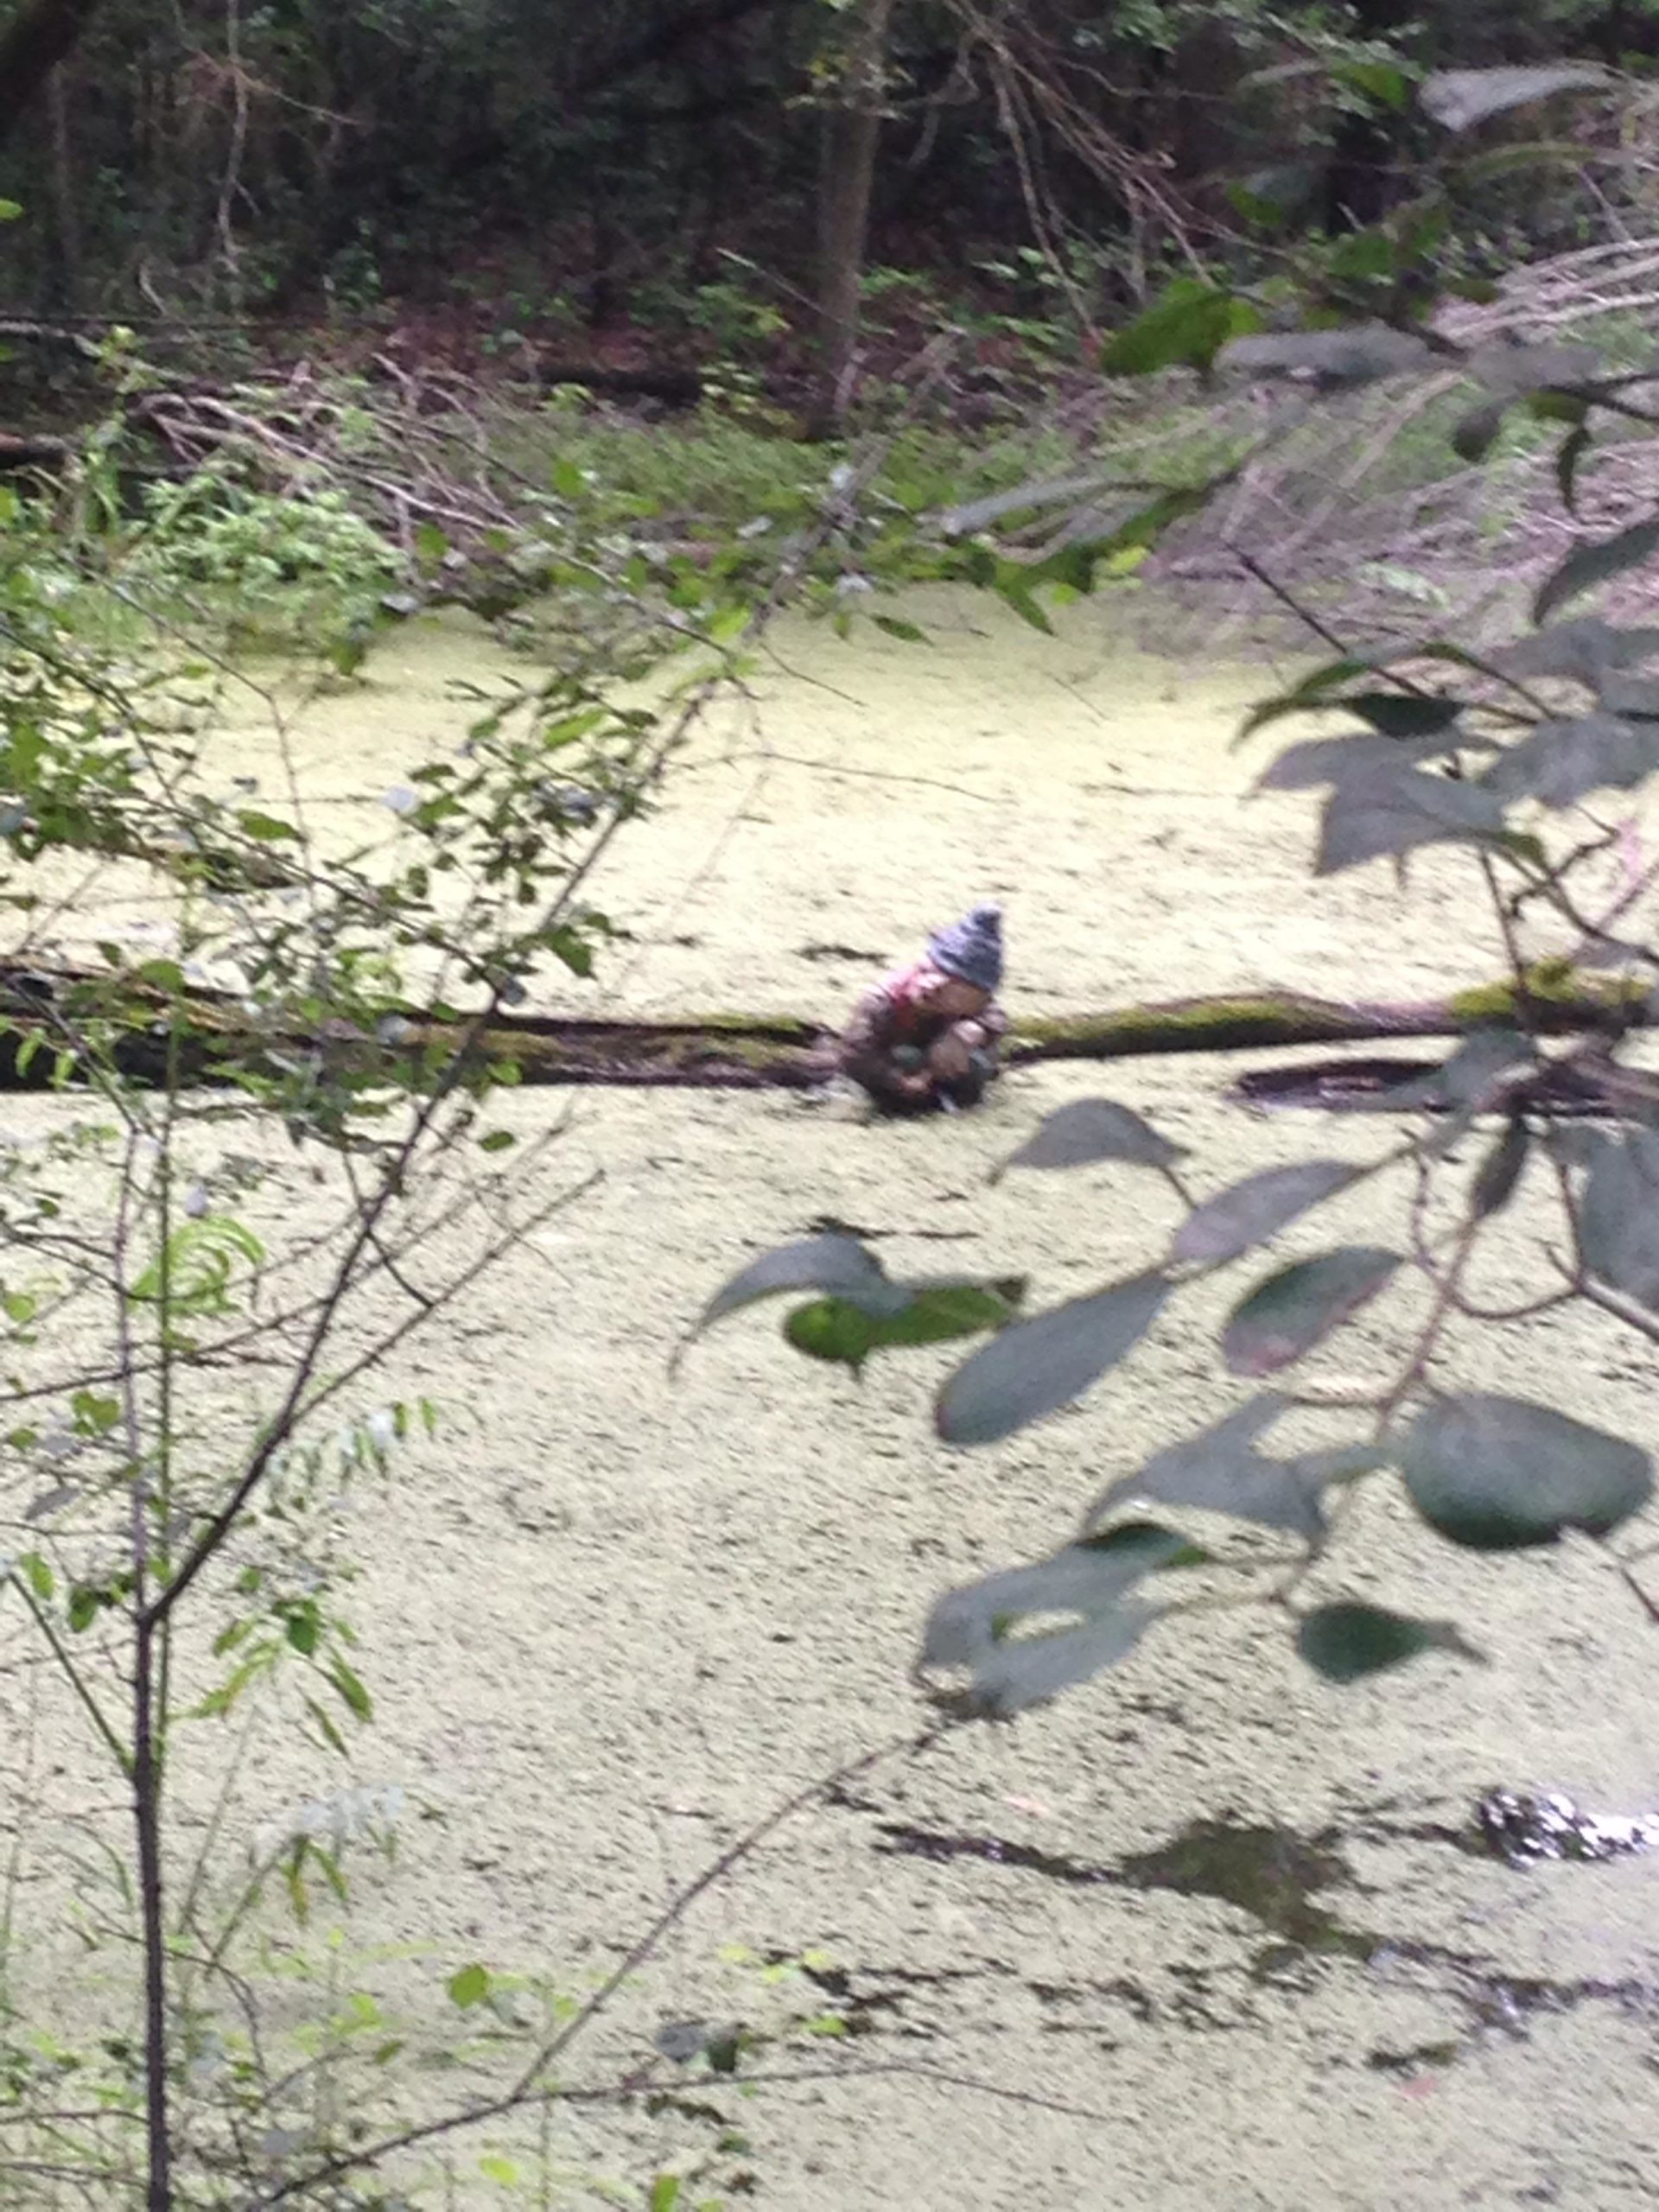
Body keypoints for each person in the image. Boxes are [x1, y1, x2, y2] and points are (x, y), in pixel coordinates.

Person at [836, 902, 1008, 1115]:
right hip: (892, 1072)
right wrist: (897, 1081)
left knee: (977, 1064)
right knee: (904, 1057)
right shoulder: (882, 1003)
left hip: (940, 1072)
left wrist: (972, 1030)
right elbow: (855, 1053)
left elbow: (996, 1016)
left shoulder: (973, 1001)